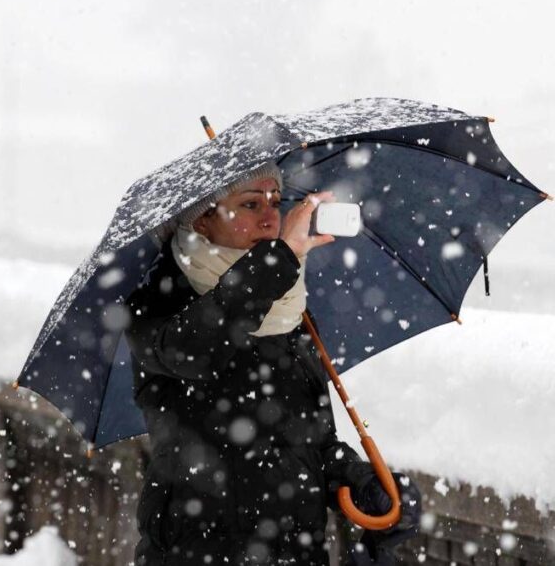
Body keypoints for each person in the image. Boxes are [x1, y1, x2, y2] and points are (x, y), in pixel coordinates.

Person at [124, 161, 420, 565]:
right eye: (250, 204)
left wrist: (362, 481)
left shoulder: (289, 310)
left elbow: (310, 443)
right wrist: (280, 259)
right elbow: (199, 351)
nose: (270, 216)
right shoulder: (157, 307)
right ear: (202, 223)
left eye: (275, 201)